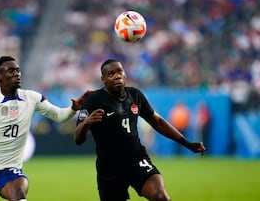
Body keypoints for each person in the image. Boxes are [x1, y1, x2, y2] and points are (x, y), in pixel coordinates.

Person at [0, 56, 91, 201]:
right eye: (10, 71)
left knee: (18, 195)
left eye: (17, 70)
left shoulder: (32, 98)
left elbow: (59, 116)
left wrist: (73, 108)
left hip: (9, 169)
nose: (16, 74)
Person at [75, 59, 206, 201]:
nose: (117, 76)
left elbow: (158, 122)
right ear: (103, 80)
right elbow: (78, 139)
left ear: (125, 74)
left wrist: (188, 144)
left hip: (136, 159)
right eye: (111, 74)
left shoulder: (135, 95)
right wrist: (86, 123)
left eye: (119, 71)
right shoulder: (93, 100)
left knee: (160, 196)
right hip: (109, 168)